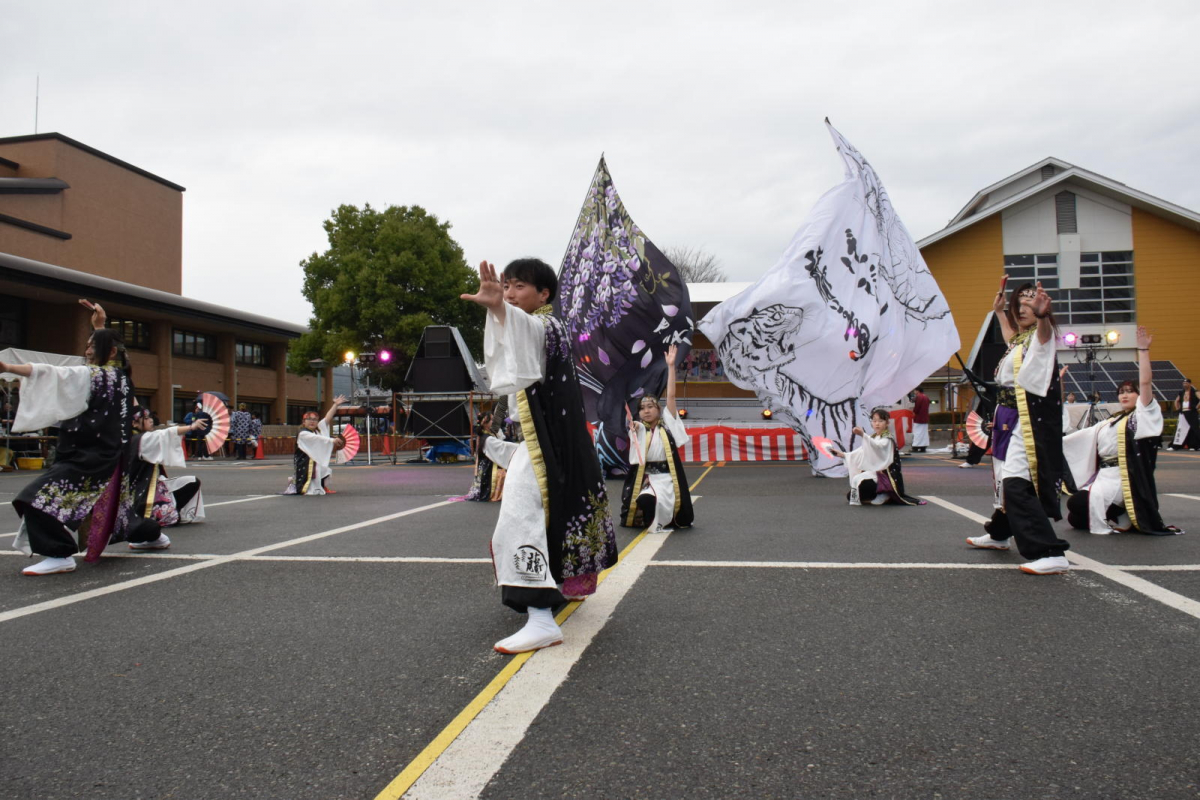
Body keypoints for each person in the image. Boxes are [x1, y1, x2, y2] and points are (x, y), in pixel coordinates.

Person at [462, 258, 618, 655]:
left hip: (544, 448)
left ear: (544, 294)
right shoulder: (545, 328)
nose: (510, 294)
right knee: (548, 514)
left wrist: (499, 308)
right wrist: (501, 310)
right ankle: (556, 590)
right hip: (545, 445)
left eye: (519, 287)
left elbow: (523, 331)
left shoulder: (546, 326)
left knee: (519, 521)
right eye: (507, 287)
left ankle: (541, 618)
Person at [4, 299, 135, 575]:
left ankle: (60, 554)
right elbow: (98, 361)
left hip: (88, 458)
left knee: (35, 499)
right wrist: (100, 326)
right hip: (97, 456)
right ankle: (148, 535)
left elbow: (54, 374)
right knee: (101, 510)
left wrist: (8, 367)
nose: (87, 351)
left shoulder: (97, 376)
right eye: (87, 345)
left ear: (110, 351)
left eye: (92, 346)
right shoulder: (120, 376)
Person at [966, 277, 1071, 575]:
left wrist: (1043, 317)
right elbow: (1010, 336)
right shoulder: (1020, 340)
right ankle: (1000, 534)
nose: (1023, 309)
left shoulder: (1041, 337)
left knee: (1015, 481)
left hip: (1026, 421)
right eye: (1019, 304)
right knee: (1005, 479)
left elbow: (1044, 334)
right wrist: (999, 312)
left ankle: (1050, 552)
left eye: (1029, 303)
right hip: (1006, 417)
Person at [1063, 328, 1183, 536]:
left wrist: (1143, 351)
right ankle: (1122, 513)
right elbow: (1076, 439)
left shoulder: (1142, 417)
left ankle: (1124, 509)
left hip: (1125, 477)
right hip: (1104, 476)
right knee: (1076, 519)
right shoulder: (1111, 421)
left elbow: (1145, 383)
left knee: (1076, 503)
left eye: (1130, 392)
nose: (1124, 396)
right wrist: (1060, 385)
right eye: (1121, 392)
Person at [621, 344, 694, 532]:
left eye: (650, 407)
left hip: (667, 479)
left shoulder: (667, 425)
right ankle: (652, 521)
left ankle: (661, 520)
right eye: (642, 408)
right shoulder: (639, 429)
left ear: (658, 410)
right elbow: (635, 428)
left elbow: (671, 396)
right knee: (645, 499)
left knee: (666, 505)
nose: (646, 411)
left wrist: (671, 366)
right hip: (647, 478)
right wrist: (634, 426)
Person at [124, 407, 208, 550]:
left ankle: (167, 516)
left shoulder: (133, 438)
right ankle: (156, 522)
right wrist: (191, 427)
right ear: (134, 423)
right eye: (146, 418)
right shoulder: (139, 439)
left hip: (153, 485)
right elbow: (166, 434)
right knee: (154, 520)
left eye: (150, 417)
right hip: (143, 492)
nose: (151, 420)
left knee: (192, 481)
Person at [832, 408, 926, 506]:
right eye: (874, 421)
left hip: (884, 474)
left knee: (862, 484)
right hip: (873, 471)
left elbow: (878, 446)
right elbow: (861, 452)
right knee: (852, 493)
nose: (877, 424)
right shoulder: (874, 437)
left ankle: (885, 492)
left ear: (887, 423)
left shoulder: (887, 438)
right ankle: (876, 494)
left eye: (880, 421)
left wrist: (863, 435)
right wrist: (843, 455)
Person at [284, 396, 346, 495]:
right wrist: (332, 440)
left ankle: (322, 486)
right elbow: (316, 438)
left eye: (315, 419)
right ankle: (302, 485)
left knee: (324, 469)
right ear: (304, 422)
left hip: (316, 460)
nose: (312, 421)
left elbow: (327, 418)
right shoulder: (303, 433)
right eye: (309, 419)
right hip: (305, 461)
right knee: (312, 475)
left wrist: (335, 405)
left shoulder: (318, 430)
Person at [462, 406, 506, 502]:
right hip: (489, 467)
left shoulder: (489, 434)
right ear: (485, 423)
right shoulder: (488, 438)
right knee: (504, 474)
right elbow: (501, 447)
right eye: (492, 420)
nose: (494, 422)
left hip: (490, 464)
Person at [1172, 378, 1199, 450]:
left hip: (1192, 412)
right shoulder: (1181, 392)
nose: (1185, 385)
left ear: (1190, 384)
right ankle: (1177, 445)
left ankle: (1194, 445)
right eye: (1184, 383)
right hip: (1183, 412)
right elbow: (1176, 400)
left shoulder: (1195, 392)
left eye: (1186, 383)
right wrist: (1177, 408)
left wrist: (1197, 407)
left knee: (1194, 429)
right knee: (1181, 428)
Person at [911, 388, 930, 452]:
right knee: (924, 433)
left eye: (914, 391)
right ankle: (923, 447)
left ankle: (916, 446)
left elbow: (917, 407)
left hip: (918, 418)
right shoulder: (926, 397)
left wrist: (914, 412)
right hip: (925, 417)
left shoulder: (918, 397)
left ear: (917, 391)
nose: (914, 392)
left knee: (917, 433)